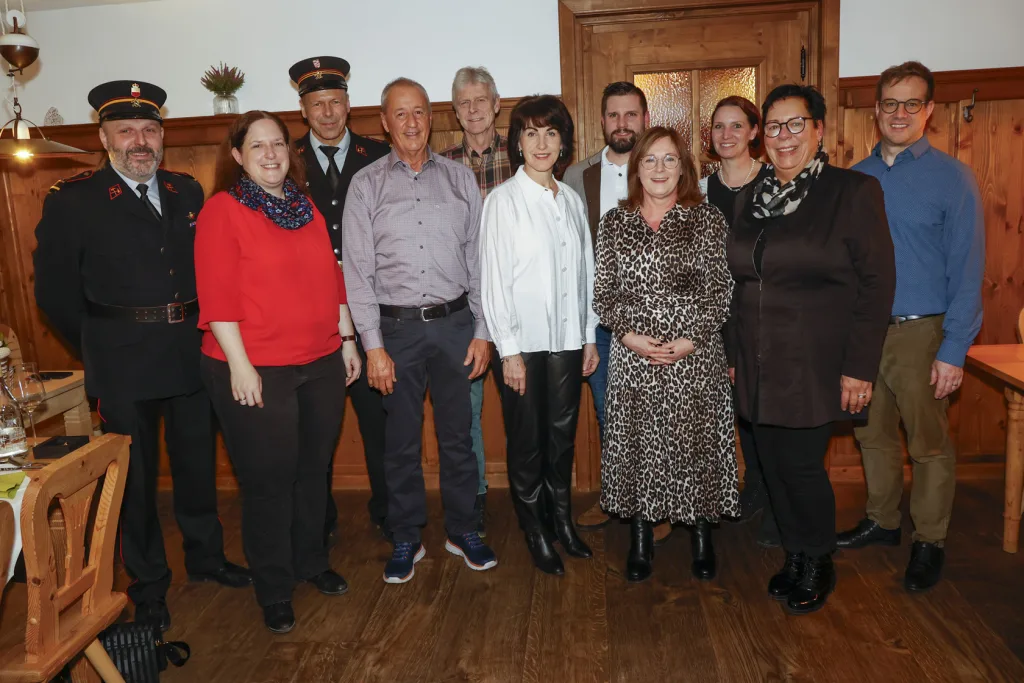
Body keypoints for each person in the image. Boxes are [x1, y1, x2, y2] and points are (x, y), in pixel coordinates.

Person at [33, 81, 251, 632]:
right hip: (121, 360)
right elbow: (54, 293)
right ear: (104, 137)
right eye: (126, 131)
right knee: (132, 481)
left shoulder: (187, 192)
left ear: (163, 137)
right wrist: (98, 341)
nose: (140, 141)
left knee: (197, 467)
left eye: (150, 130)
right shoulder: (73, 200)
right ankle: (149, 583)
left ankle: (205, 557)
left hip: (188, 353)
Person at [726, 84, 896, 614]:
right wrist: (731, 355)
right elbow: (736, 284)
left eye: (795, 124)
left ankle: (818, 558)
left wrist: (859, 368)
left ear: (819, 129)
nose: (783, 137)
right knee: (772, 466)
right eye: (774, 127)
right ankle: (796, 554)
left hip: (815, 363)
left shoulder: (852, 191)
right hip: (756, 361)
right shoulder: (752, 198)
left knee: (801, 467)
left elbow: (878, 286)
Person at [196, 111, 361, 634]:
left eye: (279, 145)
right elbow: (217, 297)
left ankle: (310, 561)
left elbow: (330, 276)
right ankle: (273, 586)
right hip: (254, 368)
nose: (271, 154)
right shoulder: (222, 211)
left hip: (320, 362)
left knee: (313, 471)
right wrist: (241, 366)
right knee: (268, 482)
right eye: (258, 146)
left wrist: (347, 339)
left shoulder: (304, 206)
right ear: (238, 156)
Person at [343, 78, 497, 584]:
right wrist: (373, 348)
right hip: (397, 331)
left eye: (420, 112)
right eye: (400, 114)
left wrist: (483, 331)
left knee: (459, 437)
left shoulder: (458, 180)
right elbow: (358, 275)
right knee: (401, 442)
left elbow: (480, 264)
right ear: (384, 122)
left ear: (432, 118)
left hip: (456, 326)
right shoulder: (366, 185)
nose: (412, 122)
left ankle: (463, 529)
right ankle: (406, 534)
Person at [838, 61, 984, 593]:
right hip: (864, 332)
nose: (899, 114)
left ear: (929, 111)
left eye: (911, 104)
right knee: (871, 435)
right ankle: (883, 520)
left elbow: (969, 266)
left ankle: (929, 539)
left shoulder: (953, 178)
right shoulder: (857, 177)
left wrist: (955, 348)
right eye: (890, 104)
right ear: (876, 110)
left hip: (923, 332)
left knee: (928, 444)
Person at [595, 126, 739, 583]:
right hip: (634, 358)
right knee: (638, 445)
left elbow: (721, 291)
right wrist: (629, 336)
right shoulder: (615, 222)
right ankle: (640, 539)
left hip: (694, 357)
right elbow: (604, 294)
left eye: (669, 159)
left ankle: (701, 537)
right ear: (636, 168)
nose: (659, 168)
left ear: (684, 168)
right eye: (650, 160)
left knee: (694, 444)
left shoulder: (708, 219)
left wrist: (690, 340)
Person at [481, 95, 599, 575]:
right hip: (522, 347)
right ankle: (534, 529)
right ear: (517, 143)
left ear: (564, 140)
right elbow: (493, 281)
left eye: (551, 133)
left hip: (569, 342)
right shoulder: (502, 202)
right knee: (527, 441)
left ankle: (561, 521)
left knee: (561, 437)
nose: (542, 143)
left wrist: (590, 336)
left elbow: (587, 273)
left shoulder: (570, 199)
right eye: (531, 133)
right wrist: (507, 352)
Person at [289, 56, 392, 544]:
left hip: (372, 307)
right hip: (310, 314)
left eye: (335, 102)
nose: (327, 112)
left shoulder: (379, 155)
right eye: (316, 104)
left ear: (349, 105)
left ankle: (390, 508)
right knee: (315, 425)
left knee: (381, 421)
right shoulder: (282, 160)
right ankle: (318, 516)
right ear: (303, 111)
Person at [564, 82, 670, 544]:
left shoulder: (664, 169)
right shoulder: (578, 176)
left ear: (644, 119)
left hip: (657, 321)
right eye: (614, 115)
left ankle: (661, 502)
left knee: (657, 414)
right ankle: (618, 499)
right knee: (612, 415)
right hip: (601, 322)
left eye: (631, 114)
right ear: (602, 120)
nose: (622, 123)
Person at [698, 95, 778, 547]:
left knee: (767, 409)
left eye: (736, 126)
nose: (726, 135)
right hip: (717, 316)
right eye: (718, 127)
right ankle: (753, 489)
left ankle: (774, 497)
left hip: (765, 312)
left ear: (753, 132)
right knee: (737, 408)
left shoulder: (774, 182)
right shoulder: (702, 190)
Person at [440, 66, 513, 537]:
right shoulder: (441, 165)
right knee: (464, 411)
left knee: (522, 406)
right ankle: (475, 499)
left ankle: (534, 497)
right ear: (455, 110)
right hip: (464, 309)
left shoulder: (527, 155)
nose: (473, 110)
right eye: (463, 103)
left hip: (518, 307)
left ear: (497, 103)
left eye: (480, 100)